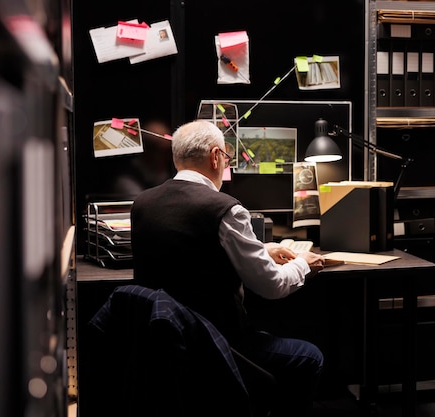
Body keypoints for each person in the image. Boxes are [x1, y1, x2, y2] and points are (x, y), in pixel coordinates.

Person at [130, 120, 326, 417]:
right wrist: (303, 264)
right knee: (310, 357)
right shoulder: (225, 208)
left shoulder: (142, 203)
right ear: (215, 156)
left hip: (163, 344)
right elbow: (271, 286)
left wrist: (262, 250)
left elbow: (191, 252)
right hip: (215, 344)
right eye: (226, 157)